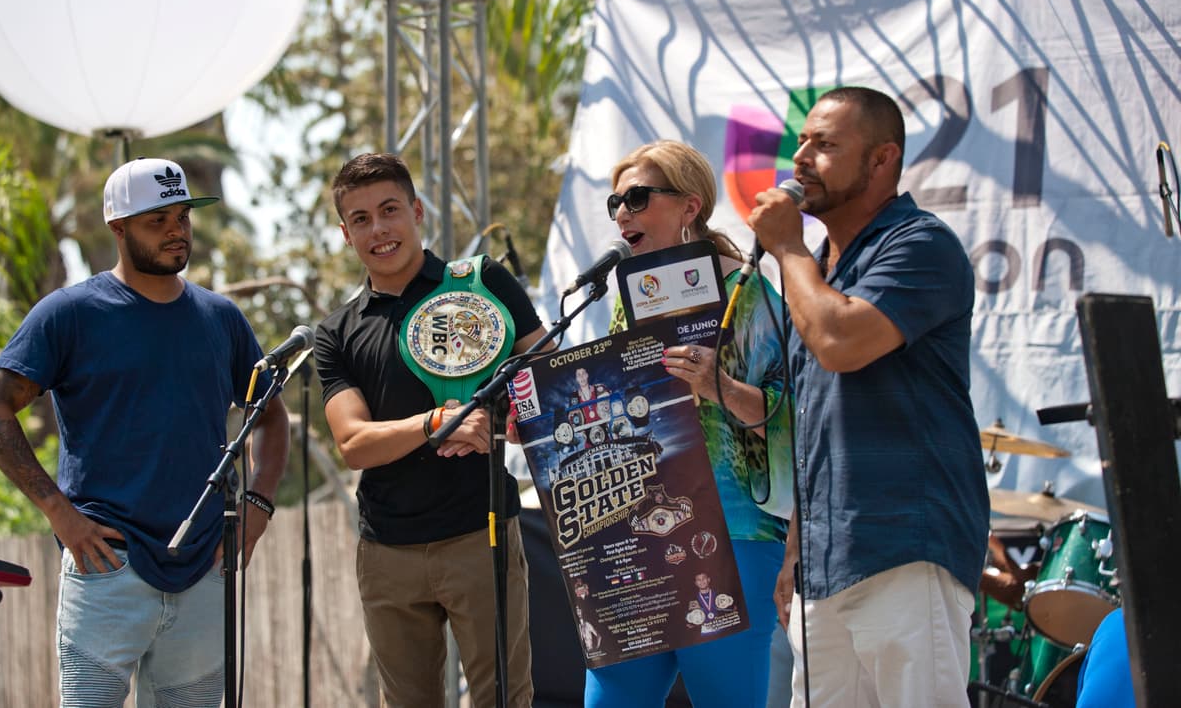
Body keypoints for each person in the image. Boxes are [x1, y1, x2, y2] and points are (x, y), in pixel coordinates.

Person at [0, 157, 290, 707]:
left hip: (203, 572)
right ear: (118, 228)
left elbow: (272, 415)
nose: (176, 230)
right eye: (156, 219)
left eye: (183, 216)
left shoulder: (221, 317)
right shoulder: (69, 313)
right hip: (106, 568)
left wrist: (257, 504)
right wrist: (60, 515)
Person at [747, 86, 990, 707]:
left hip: (904, 546)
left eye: (825, 145)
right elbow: (813, 423)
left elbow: (840, 341)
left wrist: (789, 249)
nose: (800, 158)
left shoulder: (920, 244)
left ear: (883, 160)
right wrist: (797, 547)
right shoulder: (819, 271)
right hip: (825, 561)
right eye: (801, 141)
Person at [313, 152, 550, 708]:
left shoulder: (483, 282)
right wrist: (436, 424)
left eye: (390, 209)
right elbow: (353, 444)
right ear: (346, 235)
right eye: (362, 219)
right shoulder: (336, 333)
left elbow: (549, 376)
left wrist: (509, 420)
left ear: (417, 211)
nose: (379, 229)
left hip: (481, 534)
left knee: (504, 701)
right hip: (386, 552)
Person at [585, 140, 793, 708]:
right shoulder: (628, 299)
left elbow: (793, 423)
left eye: (637, 197)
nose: (622, 213)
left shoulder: (747, 293)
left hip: (733, 536)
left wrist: (717, 387)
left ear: (690, 206)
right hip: (636, 536)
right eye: (615, 203)